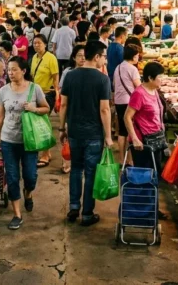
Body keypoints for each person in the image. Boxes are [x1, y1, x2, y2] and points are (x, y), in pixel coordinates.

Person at [0, 57, 50, 230]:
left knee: (30, 176)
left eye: (14, 69)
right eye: (9, 70)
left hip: (29, 141)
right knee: (13, 177)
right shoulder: (3, 91)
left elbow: (46, 108)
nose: (10, 73)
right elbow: (0, 117)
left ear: (23, 71)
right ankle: (17, 214)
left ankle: (28, 193)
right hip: (8, 140)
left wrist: (34, 109)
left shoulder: (34, 88)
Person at [59, 41, 113, 226]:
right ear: (96, 57)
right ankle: (87, 214)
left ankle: (74, 206)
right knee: (90, 173)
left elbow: (63, 104)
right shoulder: (102, 79)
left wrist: (61, 128)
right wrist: (108, 136)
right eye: (104, 56)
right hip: (93, 134)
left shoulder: (70, 76)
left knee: (75, 169)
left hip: (74, 131)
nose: (105, 60)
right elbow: (104, 110)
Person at [124, 62, 168, 219]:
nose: (162, 80)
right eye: (159, 77)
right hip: (143, 144)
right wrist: (134, 138)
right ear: (150, 78)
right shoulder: (139, 93)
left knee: (154, 176)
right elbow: (127, 117)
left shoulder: (154, 91)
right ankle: (143, 211)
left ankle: (152, 209)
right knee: (144, 177)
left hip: (156, 140)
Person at [30, 34, 60, 168]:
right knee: (38, 124)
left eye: (39, 43)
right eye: (34, 43)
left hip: (48, 94)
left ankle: (46, 154)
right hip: (35, 93)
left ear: (45, 44)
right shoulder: (34, 58)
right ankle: (44, 151)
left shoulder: (51, 58)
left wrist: (57, 94)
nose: (36, 45)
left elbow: (55, 77)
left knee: (43, 124)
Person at [59, 45, 86, 174]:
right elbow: (62, 93)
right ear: (74, 57)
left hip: (86, 113)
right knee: (68, 139)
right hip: (71, 110)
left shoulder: (92, 72)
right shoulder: (68, 72)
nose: (82, 58)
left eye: (85, 55)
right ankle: (66, 161)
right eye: (79, 55)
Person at [114, 45, 142, 163]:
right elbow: (139, 87)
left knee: (122, 131)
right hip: (129, 102)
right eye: (137, 55)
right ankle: (130, 160)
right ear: (133, 56)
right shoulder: (132, 69)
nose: (138, 57)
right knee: (131, 131)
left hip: (119, 101)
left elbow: (115, 85)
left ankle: (121, 159)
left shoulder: (118, 67)